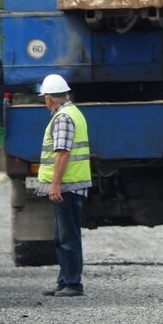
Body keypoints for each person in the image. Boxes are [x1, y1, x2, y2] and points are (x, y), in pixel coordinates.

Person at [36, 74, 91, 298]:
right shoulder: (71, 113)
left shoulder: (63, 118)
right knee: (62, 235)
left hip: (68, 187)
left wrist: (55, 185)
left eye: (44, 98)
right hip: (69, 185)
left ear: (49, 97)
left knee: (67, 236)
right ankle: (65, 280)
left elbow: (63, 153)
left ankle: (73, 283)